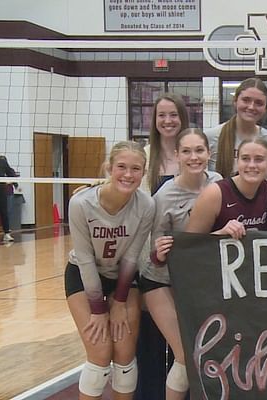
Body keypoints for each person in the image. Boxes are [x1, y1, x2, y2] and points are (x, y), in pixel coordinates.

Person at [65, 141, 155, 400]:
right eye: (122, 167)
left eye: (136, 168)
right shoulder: (81, 203)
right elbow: (84, 258)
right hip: (84, 275)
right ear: (109, 167)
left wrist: (118, 301)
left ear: (144, 172)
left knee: (125, 354)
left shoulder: (146, 205)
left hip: (123, 279)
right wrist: (98, 309)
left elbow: (131, 256)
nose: (128, 174)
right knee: (101, 352)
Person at [137, 129, 221, 399]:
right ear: (176, 155)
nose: (194, 157)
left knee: (206, 353)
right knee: (185, 355)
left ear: (209, 153)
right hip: (161, 281)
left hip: (198, 284)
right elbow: (153, 252)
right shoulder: (165, 196)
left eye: (199, 150)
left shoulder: (219, 183)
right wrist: (159, 253)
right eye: (186, 151)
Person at [187, 138, 267, 237]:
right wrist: (221, 234)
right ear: (237, 162)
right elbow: (190, 245)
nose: (252, 165)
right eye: (245, 158)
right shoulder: (215, 194)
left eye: (259, 159)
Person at [205, 77, 267, 178]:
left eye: (259, 103)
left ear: (265, 108)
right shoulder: (210, 137)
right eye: (246, 100)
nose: (251, 107)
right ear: (235, 101)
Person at [143, 93, 189, 195]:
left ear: (182, 118)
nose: (167, 121)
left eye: (173, 115)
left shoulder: (193, 155)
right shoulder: (144, 156)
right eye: (161, 115)